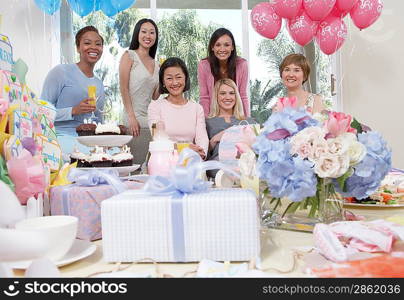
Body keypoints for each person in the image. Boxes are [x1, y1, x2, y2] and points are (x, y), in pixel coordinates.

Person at [41, 26, 105, 155]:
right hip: (61, 136)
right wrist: (73, 110)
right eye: (87, 43)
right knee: (93, 155)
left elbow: (98, 120)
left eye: (98, 44)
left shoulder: (98, 84)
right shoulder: (61, 72)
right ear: (77, 48)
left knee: (115, 152)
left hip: (89, 140)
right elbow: (41, 112)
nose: (93, 47)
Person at [148, 57, 208, 159]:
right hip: (163, 161)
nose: (175, 82)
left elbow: (202, 138)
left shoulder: (197, 108)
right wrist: (185, 148)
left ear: (185, 78)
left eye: (178, 77)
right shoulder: (155, 106)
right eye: (169, 78)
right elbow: (158, 140)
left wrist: (201, 153)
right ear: (163, 82)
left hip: (191, 161)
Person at [119, 18, 160, 165]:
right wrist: (131, 117)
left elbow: (155, 96)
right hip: (132, 117)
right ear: (137, 33)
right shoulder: (129, 56)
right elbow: (123, 88)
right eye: (144, 32)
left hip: (149, 117)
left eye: (152, 32)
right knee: (134, 164)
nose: (148, 36)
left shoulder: (156, 64)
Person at [205, 78, 256, 178]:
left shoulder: (249, 122)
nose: (228, 97)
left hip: (246, 162)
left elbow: (261, 146)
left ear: (236, 96)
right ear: (216, 97)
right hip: (219, 165)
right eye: (223, 93)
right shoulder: (208, 122)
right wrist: (215, 139)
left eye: (231, 93)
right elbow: (203, 154)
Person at [198, 28, 250, 117]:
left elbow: (242, 96)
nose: (222, 49)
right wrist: (206, 122)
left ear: (232, 47)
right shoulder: (204, 65)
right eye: (218, 45)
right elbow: (204, 97)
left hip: (235, 117)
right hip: (213, 116)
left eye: (226, 45)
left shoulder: (242, 64)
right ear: (212, 47)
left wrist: (246, 120)